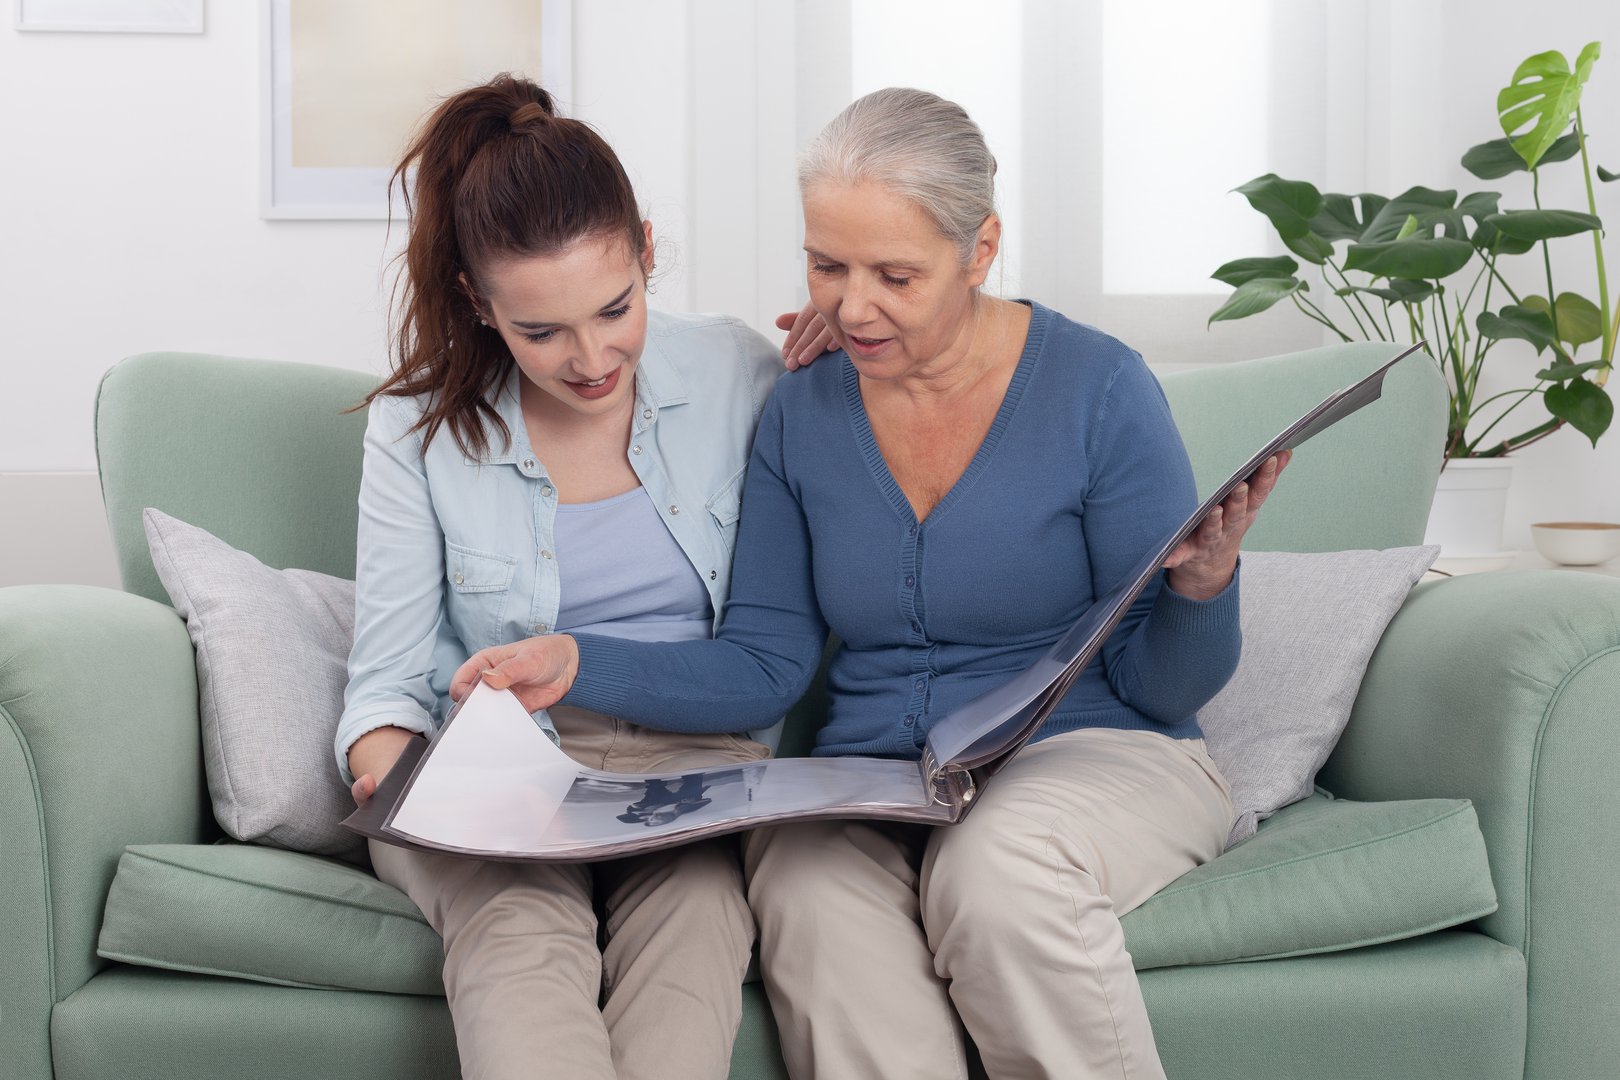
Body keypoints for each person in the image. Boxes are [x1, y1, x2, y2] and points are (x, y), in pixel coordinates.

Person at [452, 87, 1290, 1079]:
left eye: (895, 274)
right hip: (882, 780)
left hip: (1097, 757)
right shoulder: (803, 408)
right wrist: (576, 660)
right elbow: (766, 664)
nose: (851, 307)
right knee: (799, 879)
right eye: (826, 266)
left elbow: (1162, 689)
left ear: (979, 253)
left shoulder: (1099, 389)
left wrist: (1204, 584)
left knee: (997, 869)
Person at [336, 74, 800, 1080]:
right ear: (477, 300)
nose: (591, 358)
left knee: (695, 931)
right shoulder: (415, 431)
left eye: (615, 308)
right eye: (541, 332)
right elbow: (383, 681)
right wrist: (395, 771)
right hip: (502, 764)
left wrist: (848, 365)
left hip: (693, 762)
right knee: (516, 935)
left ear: (643, 246)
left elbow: (780, 632)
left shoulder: (741, 374)